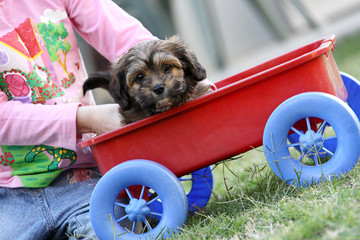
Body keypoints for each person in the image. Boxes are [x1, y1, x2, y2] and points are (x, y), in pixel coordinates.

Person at [0, 0, 155, 239]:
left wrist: (173, 73)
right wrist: (85, 119)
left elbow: (122, 33)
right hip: (8, 198)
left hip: (85, 179)